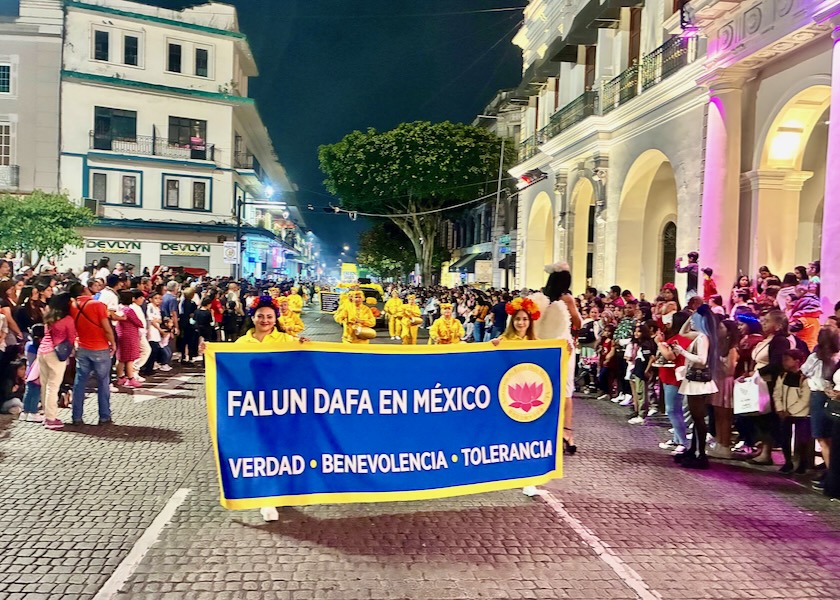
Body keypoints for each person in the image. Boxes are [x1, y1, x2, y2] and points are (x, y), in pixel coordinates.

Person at [529, 262, 582, 450]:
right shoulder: (567, 298)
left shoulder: (542, 297)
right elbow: (578, 322)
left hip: (544, 344)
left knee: (546, 386)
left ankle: (546, 428)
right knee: (566, 388)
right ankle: (567, 432)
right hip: (563, 344)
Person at [672, 305, 719, 469]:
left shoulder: (703, 338)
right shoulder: (702, 336)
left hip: (698, 382)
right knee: (696, 417)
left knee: (698, 418)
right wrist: (691, 316)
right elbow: (683, 333)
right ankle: (694, 450)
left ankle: (700, 453)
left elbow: (702, 359)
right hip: (696, 381)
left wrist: (682, 352)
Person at [70, 282, 116, 426]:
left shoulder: (73, 305)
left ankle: (76, 416)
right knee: (103, 382)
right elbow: (106, 328)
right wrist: (113, 343)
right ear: (85, 290)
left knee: (79, 382)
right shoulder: (97, 305)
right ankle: (104, 416)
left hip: (82, 346)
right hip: (100, 347)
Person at [802, 325, 840, 491]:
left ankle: (832, 476)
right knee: (831, 438)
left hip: (819, 396)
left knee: (822, 439)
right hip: (832, 396)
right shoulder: (837, 356)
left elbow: (803, 370)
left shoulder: (815, 357)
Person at [38, 292, 77, 430]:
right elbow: (71, 338)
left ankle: (46, 414)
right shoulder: (68, 319)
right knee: (53, 386)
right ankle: (51, 418)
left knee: (45, 384)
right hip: (56, 353)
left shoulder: (49, 316)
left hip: (42, 350)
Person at [774, 349, 811, 474]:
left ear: (797, 361)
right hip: (785, 413)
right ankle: (788, 461)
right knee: (785, 438)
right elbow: (777, 393)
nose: (784, 362)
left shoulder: (803, 379)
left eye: (787, 360)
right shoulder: (783, 376)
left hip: (800, 414)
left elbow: (804, 399)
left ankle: (801, 463)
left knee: (801, 440)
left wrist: (790, 410)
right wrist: (779, 408)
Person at [115, 290, 144, 388]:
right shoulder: (128, 310)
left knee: (121, 358)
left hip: (120, 334)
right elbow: (138, 322)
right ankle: (130, 378)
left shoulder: (118, 308)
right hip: (129, 335)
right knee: (129, 358)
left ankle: (120, 377)